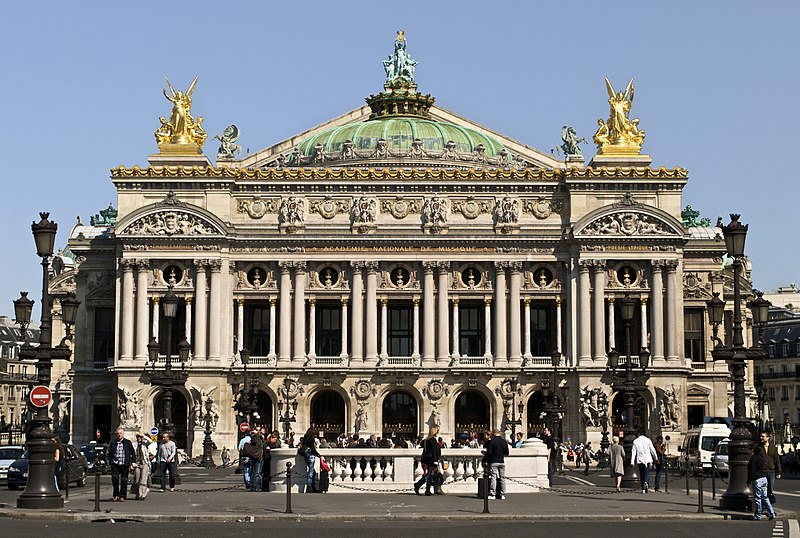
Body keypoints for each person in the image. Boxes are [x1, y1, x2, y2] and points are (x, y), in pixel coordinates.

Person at [748, 443, 776, 521]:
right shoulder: (761, 458)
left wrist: (749, 480)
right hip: (764, 478)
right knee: (765, 497)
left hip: (757, 479)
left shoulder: (753, 458)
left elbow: (752, 470)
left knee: (757, 498)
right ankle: (772, 513)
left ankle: (758, 515)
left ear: (753, 450)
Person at [108, 427, 135, 501]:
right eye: (118, 433)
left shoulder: (127, 442)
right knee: (115, 479)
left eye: (120, 433)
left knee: (124, 480)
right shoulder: (113, 442)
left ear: (123, 434)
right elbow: (109, 453)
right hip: (116, 464)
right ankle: (116, 494)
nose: (119, 435)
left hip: (124, 464)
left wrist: (133, 462)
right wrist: (111, 462)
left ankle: (122, 495)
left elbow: (133, 453)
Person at [414, 425, 441, 496]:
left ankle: (427, 490)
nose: (438, 432)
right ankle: (418, 484)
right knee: (429, 475)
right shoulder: (433, 440)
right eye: (437, 430)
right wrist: (436, 460)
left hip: (427, 459)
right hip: (431, 459)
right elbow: (434, 451)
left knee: (430, 474)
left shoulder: (426, 440)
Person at [484, 429, 509, 500]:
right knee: (502, 478)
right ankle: (502, 494)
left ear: (494, 434)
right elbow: (506, 453)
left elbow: (489, 453)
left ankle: (493, 494)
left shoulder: (492, 442)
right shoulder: (504, 442)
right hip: (501, 461)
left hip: (494, 461)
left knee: (493, 478)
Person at [760, 431, 782, 504]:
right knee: (762, 490)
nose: (761, 438)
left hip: (771, 472)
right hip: (761, 472)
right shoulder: (758, 447)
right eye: (761, 436)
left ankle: (769, 506)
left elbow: (777, 460)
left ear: (768, 437)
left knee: (770, 489)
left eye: (763, 436)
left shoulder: (773, 448)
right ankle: (764, 507)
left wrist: (778, 472)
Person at [298, 428, 320, 493]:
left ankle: (313, 486)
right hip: (311, 456)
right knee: (310, 472)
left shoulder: (304, 439)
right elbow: (313, 449)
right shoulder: (311, 439)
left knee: (313, 471)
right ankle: (309, 487)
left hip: (306, 456)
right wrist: (318, 455)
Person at [132, 433, 151, 500]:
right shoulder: (133, 444)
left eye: (140, 437)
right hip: (137, 463)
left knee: (143, 479)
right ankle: (137, 493)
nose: (139, 438)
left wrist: (144, 436)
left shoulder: (145, 444)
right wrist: (132, 463)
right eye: (138, 437)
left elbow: (150, 441)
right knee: (137, 479)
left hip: (144, 463)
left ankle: (143, 494)